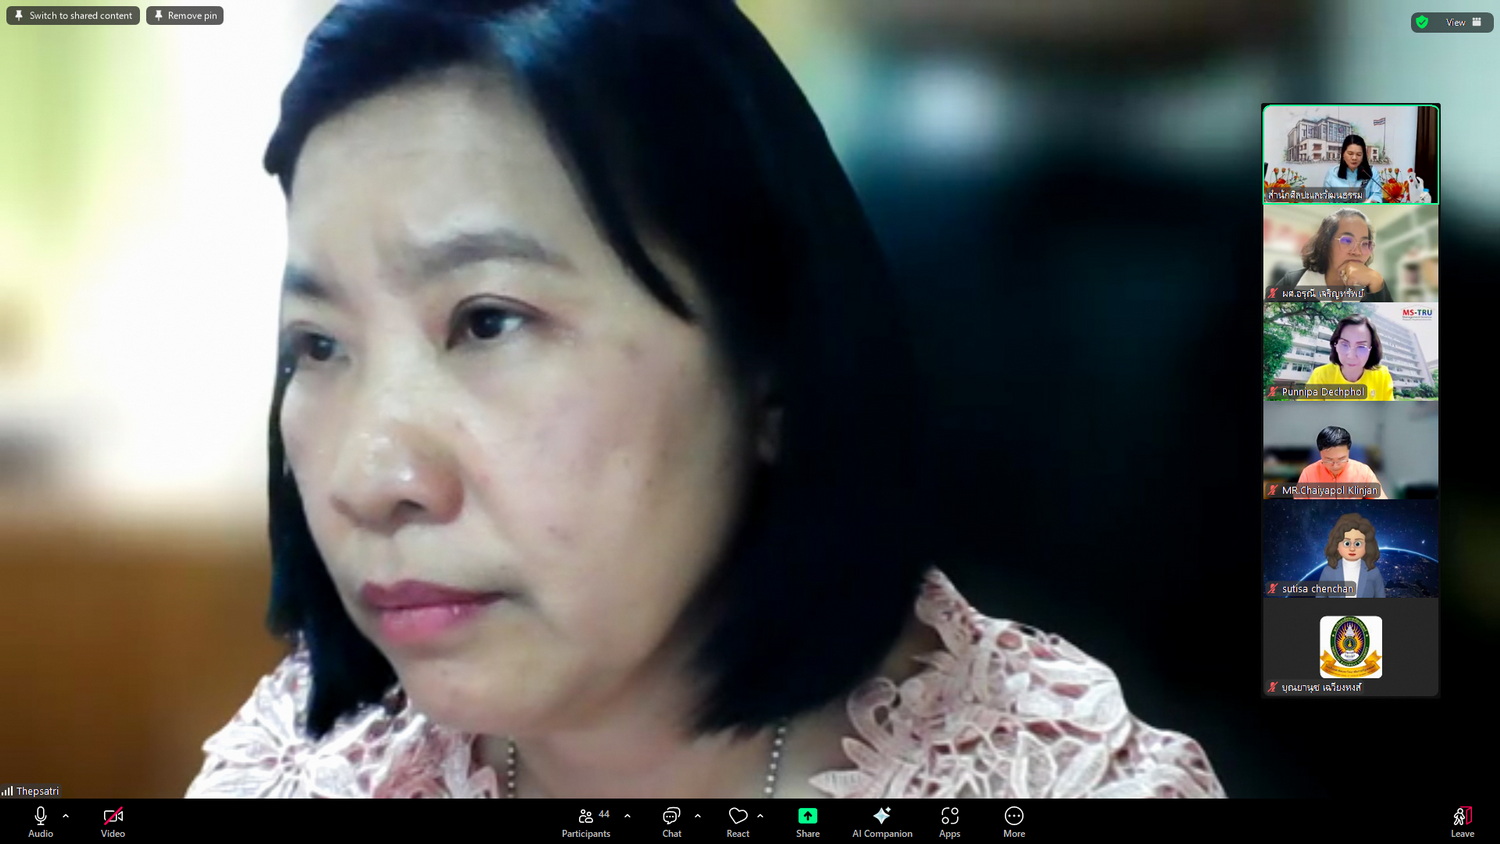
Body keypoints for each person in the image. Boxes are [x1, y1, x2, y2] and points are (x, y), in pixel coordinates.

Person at [184, 0, 1224, 800]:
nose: (372, 479)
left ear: (769, 366)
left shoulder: (1070, 781)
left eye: (489, 320)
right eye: (317, 344)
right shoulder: (299, 772)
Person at [1264, 208, 1391, 302]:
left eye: (1365, 244)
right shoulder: (1292, 281)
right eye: (1347, 240)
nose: (1357, 252)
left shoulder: (1374, 285)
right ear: (1326, 244)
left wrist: (1378, 285)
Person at [1298, 315, 1395, 401]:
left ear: (1371, 349)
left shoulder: (1382, 376)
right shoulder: (1321, 375)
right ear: (1335, 345)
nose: (1351, 356)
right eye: (1344, 344)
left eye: (1361, 347)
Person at [1294, 426, 1387, 499]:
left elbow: (1382, 504)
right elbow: (1299, 508)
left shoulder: (1363, 472)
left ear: (1348, 451)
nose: (1335, 466)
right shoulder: (1308, 473)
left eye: (1342, 459)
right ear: (1320, 453)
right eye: (1328, 459)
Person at [1317, 513, 1386, 598]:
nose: (1352, 548)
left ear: (1367, 545)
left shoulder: (1373, 572)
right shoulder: (1328, 572)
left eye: (1358, 543)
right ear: (1337, 545)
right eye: (1347, 543)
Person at [1322, 134, 1381, 203]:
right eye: (1350, 153)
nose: (1354, 158)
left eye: (1359, 154)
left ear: (1363, 156)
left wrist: (1366, 203)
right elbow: (1325, 199)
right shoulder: (1332, 173)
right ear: (1343, 154)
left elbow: (1377, 196)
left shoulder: (1371, 171)